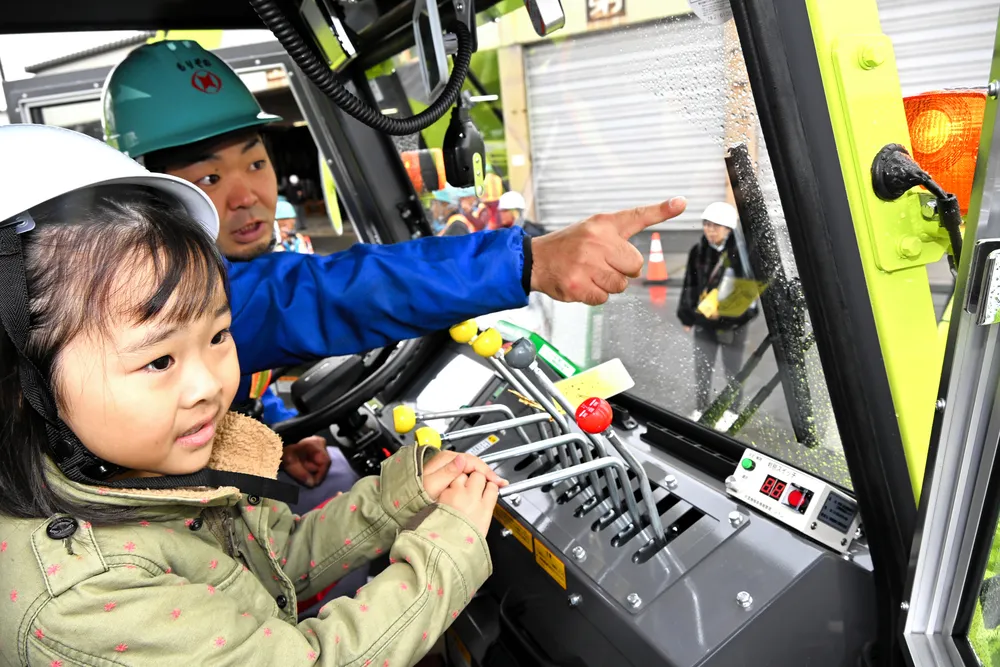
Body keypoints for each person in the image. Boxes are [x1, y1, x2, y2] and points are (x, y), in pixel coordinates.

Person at [0, 123, 506, 666]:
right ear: (23, 380)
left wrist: (396, 497)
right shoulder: (87, 596)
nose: (211, 386)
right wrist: (448, 554)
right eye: (159, 360)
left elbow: (273, 560)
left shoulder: (145, 468)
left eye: (219, 336)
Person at [101, 40, 687, 414]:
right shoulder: (160, 295)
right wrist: (528, 262)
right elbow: (321, 295)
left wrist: (278, 437)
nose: (247, 196)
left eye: (256, 163)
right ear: (147, 196)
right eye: (208, 179)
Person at [677, 202, 757, 417]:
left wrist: (725, 314)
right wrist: (686, 316)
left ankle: (731, 412)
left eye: (716, 226)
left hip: (733, 322)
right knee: (702, 367)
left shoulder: (742, 254)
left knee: (732, 369)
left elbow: (749, 292)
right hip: (704, 320)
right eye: (707, 224)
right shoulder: (698, 251)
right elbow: (690, 286)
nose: (710, 230)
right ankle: (701, 407)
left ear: (729, 229)